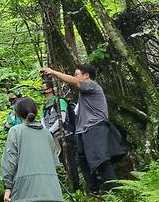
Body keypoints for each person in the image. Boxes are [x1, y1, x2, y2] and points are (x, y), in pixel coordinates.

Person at [40, 64, 124, 193]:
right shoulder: (84, 94)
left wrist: (53, 72)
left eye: (77, 74)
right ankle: (93, 190)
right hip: (83, 130)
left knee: (100, 160)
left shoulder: (92, 85)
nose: (75, 77)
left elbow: (75, 82)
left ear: (86, 76)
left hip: (95, 127)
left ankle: (116, 193)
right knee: (83, 160)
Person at [41, 82, 79, 190]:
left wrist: (50, 130)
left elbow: (62, 117)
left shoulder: (60, 101)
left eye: (43, 88)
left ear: (49, 89)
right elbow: (43, 120)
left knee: (70, 163)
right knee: (61, 162)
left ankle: (76, 187)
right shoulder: (45, 106)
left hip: (65, 135)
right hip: (53, 138)